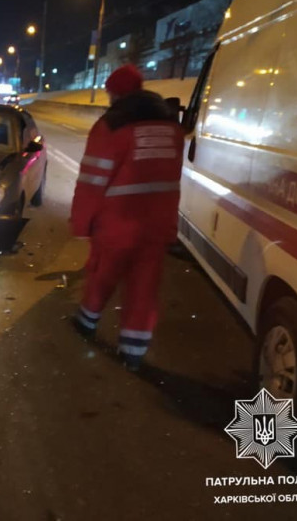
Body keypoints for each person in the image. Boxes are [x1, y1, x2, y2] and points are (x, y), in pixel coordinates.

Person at [70, 64, 184, 371]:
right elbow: (172, 180)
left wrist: (81, 224)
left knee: (103, 274)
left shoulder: (112, 126)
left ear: (115, 93)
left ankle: (86, 322)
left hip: (118, 224)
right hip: (157, 224)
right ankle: (133, 352)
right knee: (144, 287)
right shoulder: (171, 126)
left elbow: (92, 181)